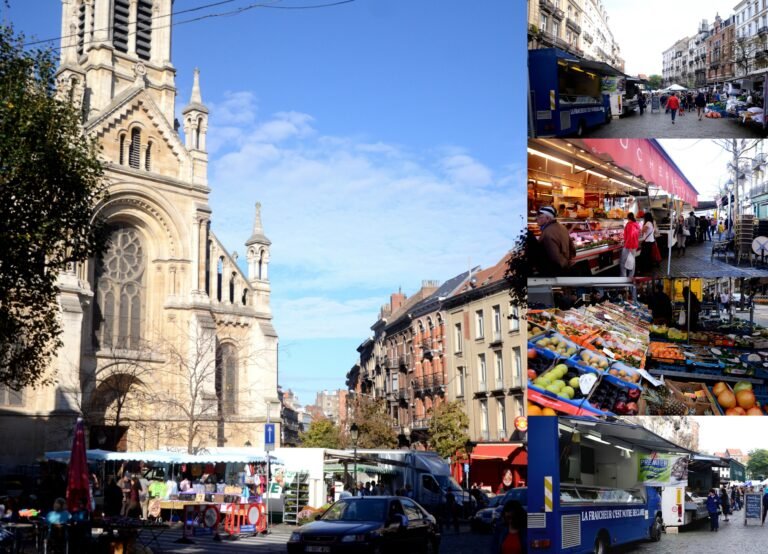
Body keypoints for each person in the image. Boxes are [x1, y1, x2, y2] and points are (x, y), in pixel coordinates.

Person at [535, 206, 575, 277]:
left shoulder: (547, 233)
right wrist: (569, 260)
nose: (536, 218)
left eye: (540, 216)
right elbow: (572, 247)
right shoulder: (562, 227)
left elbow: (555, 258)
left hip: (554, 272)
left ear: (548, 218)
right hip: (566, 269)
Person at [620, 212, 640, 277]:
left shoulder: (629, 225)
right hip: (634, 245)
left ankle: (623, 277)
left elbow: (631, 236)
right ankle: (631, 277)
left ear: (628, 217)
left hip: (629, 246)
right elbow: (636, 235)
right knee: (632, 261)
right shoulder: (636, 224)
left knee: (623, 263)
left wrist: (630, 246)